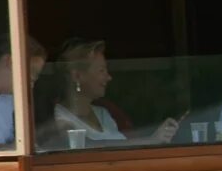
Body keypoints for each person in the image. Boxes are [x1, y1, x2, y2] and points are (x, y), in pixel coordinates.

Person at [51, 38, 179, 146]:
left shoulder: (104, 114)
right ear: (77, 76)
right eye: (102, 70)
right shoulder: (60, 118)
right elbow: (89, 149)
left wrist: (156, 138)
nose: (109, 77)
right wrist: (149, 140)